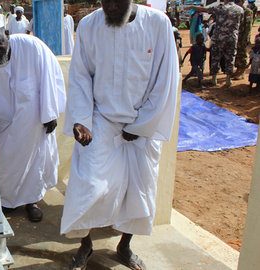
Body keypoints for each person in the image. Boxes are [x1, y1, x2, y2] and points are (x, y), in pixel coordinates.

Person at [61, 1, 179, 269]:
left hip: (142, 124)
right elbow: (80, 75)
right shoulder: (90, 25)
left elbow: (165, 81)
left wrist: (140, 126)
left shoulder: (158, 24)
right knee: (87, 188)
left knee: (140, 191)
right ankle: (86, 245)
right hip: (101, 120)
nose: (111, 6)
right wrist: (82, 120)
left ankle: (124, 246)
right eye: (106, 0)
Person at [0, 18, 66, 222]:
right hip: (4, 127)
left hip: (34, 122)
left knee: (34, 165)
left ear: (7, 35)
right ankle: (7, 202)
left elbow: (50, 75)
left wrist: (50, 112)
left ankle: (32, 201)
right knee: (5, 168)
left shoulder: (32, 46)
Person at [187, 0, 243, 87]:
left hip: (219, 37)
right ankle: (228, 79)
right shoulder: (239, 9)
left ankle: (214, 79)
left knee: (216, 57)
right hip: (232, 37)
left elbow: (205, 9)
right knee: (230, 57)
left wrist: (193, 7)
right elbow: (241, 22)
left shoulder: (219, 8)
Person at [233, 0, 253, 79]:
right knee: (237, 52)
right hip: (236, 35)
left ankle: (242, 72)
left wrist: (246, 38)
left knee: (242, 53)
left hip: (243, 36)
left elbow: (248, 26)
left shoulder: (247, 12)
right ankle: (238, 69)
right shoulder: (236, 10)